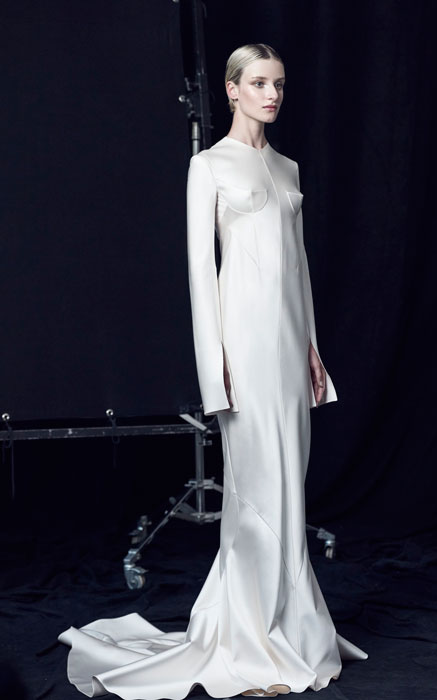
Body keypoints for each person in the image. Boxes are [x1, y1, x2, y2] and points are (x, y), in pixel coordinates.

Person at [58, 43, 366, 700]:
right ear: (231, 89)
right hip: (242, 347)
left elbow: (299, 268)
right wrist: (213, 368)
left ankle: (291, 627)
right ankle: (249, 644)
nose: (271, 95)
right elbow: (202, 272)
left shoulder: (287, 167)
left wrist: (312, 348)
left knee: (289, 483)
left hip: (288, 347)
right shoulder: (208, 166)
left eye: (278, 84)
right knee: (255, 487)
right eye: (258, 83)